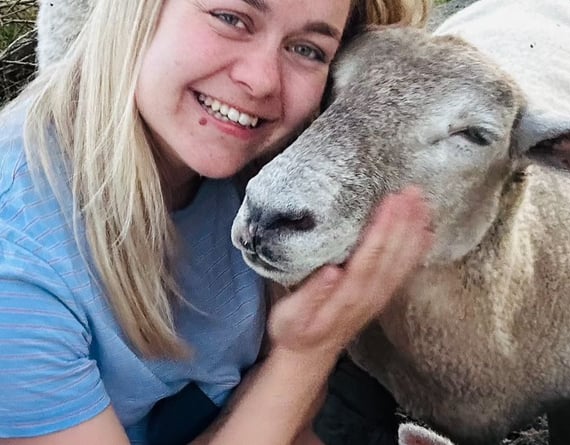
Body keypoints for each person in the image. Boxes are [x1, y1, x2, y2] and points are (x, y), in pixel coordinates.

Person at [0, 1, 434, 444]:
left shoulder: (258, 174)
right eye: (231, 18)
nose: (262, 80)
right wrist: (309, 351)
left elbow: (293, 422)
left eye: (307, 49)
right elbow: (287, 390)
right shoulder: (17, 269)